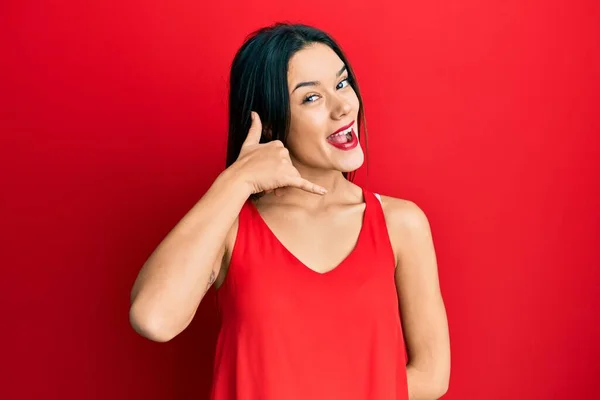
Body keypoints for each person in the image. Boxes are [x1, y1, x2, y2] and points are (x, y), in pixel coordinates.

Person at [129, 22, 451, 400]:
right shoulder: (231, 228)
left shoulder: (401, 224)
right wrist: (236, 182)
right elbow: (153, 319)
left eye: (342, 83)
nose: (343, 105)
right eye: (311, 98)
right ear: (271, 122)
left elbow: (431, 375)